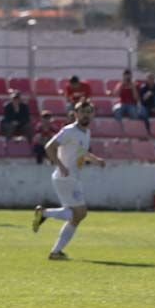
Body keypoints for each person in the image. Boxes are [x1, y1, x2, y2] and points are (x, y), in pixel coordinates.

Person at [33, 101, 104, 259]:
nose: (86, 114)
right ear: (76, 114)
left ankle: (56, 252)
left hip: (74, 177)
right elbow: (49, 147)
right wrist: (61, 166)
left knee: (78, 216)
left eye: (89, 111)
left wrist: (95, 160)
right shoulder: (69, 130)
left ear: (93, 114)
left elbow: (81, 152)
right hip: (65, 177)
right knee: (78, 213)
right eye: (82, 111)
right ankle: (44, 213)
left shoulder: (86, 132)